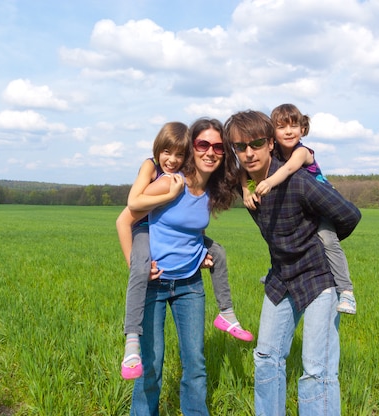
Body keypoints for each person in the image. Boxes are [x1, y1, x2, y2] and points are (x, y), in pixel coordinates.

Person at [224, 110, 362, 416]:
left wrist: (320, 240)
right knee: (266, 357)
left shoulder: (299, 182)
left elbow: (349, 214)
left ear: (271, 144)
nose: (248, 152)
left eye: (256, 144)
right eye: (240, 147)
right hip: (281, 278)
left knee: (317, 369)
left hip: (319, 279)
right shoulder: (244, 184)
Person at [119, 118, 239, 415]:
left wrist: (202, 253)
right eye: (203, 145)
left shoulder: (214, 189)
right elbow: (126, 218)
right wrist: (136, 267)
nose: (210, 152)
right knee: (152, 365)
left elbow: (188, 231)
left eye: (218, 147)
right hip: (154, 286)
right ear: (191, 149)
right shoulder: (169, 182)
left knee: (195, 365)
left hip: (190, 286)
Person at [240, 103, 357, 314]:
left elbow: (289, 168)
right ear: (272, 134)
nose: (288, 131)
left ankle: (346, 290)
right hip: (300, 207)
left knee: (328, 240)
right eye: (281, 127)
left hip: (320, 207)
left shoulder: (301, 152)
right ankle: (277, 272)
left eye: (294, 126)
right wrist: (246, 190)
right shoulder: (273, 154)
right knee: (278, 228)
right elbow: (242, 169)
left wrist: (269, 182)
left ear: (303, 129)